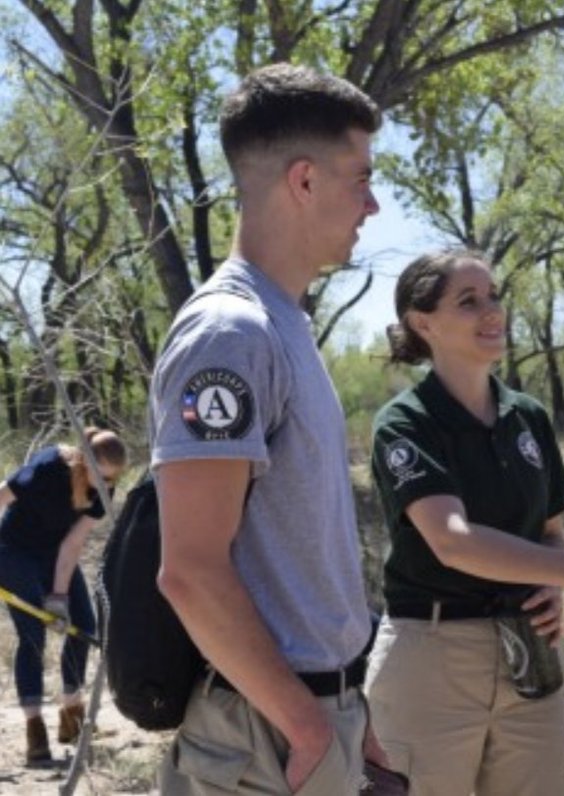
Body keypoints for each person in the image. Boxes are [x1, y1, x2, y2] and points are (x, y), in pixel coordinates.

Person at [150, 63, 387, 794]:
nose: (373, 204)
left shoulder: (282, 324)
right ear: (305, 181)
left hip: (311, 714)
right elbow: (190, 570)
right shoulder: (231, 332)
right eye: (361, 178)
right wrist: (307, 724)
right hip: (264, 740)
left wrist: (349, 704)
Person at [365, 248, 564, 795]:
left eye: (494, 296)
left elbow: (550, 527)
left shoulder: (528, 416)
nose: (492, 311)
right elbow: (452, 542)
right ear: (422, 322)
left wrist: (553, 578)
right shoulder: (405, 424)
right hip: (432, 657)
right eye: (469, 301)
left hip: (530, 650)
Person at [0, 427, 127, 766]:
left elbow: (72, 544)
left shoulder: (103, 488)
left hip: (55, 555)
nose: (106, 484)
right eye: (101, 476)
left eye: (112, 479)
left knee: (83, 625)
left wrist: (59, 596)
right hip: (14, 552)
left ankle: (72, 717)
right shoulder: (48, 466)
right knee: (33, 636)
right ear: (84, 461)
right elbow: (1, 496)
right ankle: (34, 730)